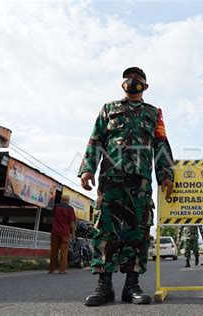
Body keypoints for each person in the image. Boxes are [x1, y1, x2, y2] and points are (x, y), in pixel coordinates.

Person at [79, 67, 174, 306]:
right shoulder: (108, 109)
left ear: (145, 86)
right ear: (122, 83)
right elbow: (96, 139)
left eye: (138, 79)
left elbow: (161, 144)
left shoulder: (154, 113)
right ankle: (104, 287)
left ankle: (132, 286)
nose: (133, 82)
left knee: (138, 232)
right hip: (110, 181)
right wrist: (88, 168)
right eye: (129, 78)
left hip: (140, 183)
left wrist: (166, 175)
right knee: (104, 231)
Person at [49, 195, 76, 274]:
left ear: (61, 200)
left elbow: (53, 214)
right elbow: (72, 221)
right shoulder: (70, 209)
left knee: (54, 250)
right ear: (68, 200)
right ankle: (62, 269)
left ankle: (52, 269)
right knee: (64, 251)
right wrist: (73, 233)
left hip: (55, 231)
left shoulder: (56, 207)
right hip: (65, 232)